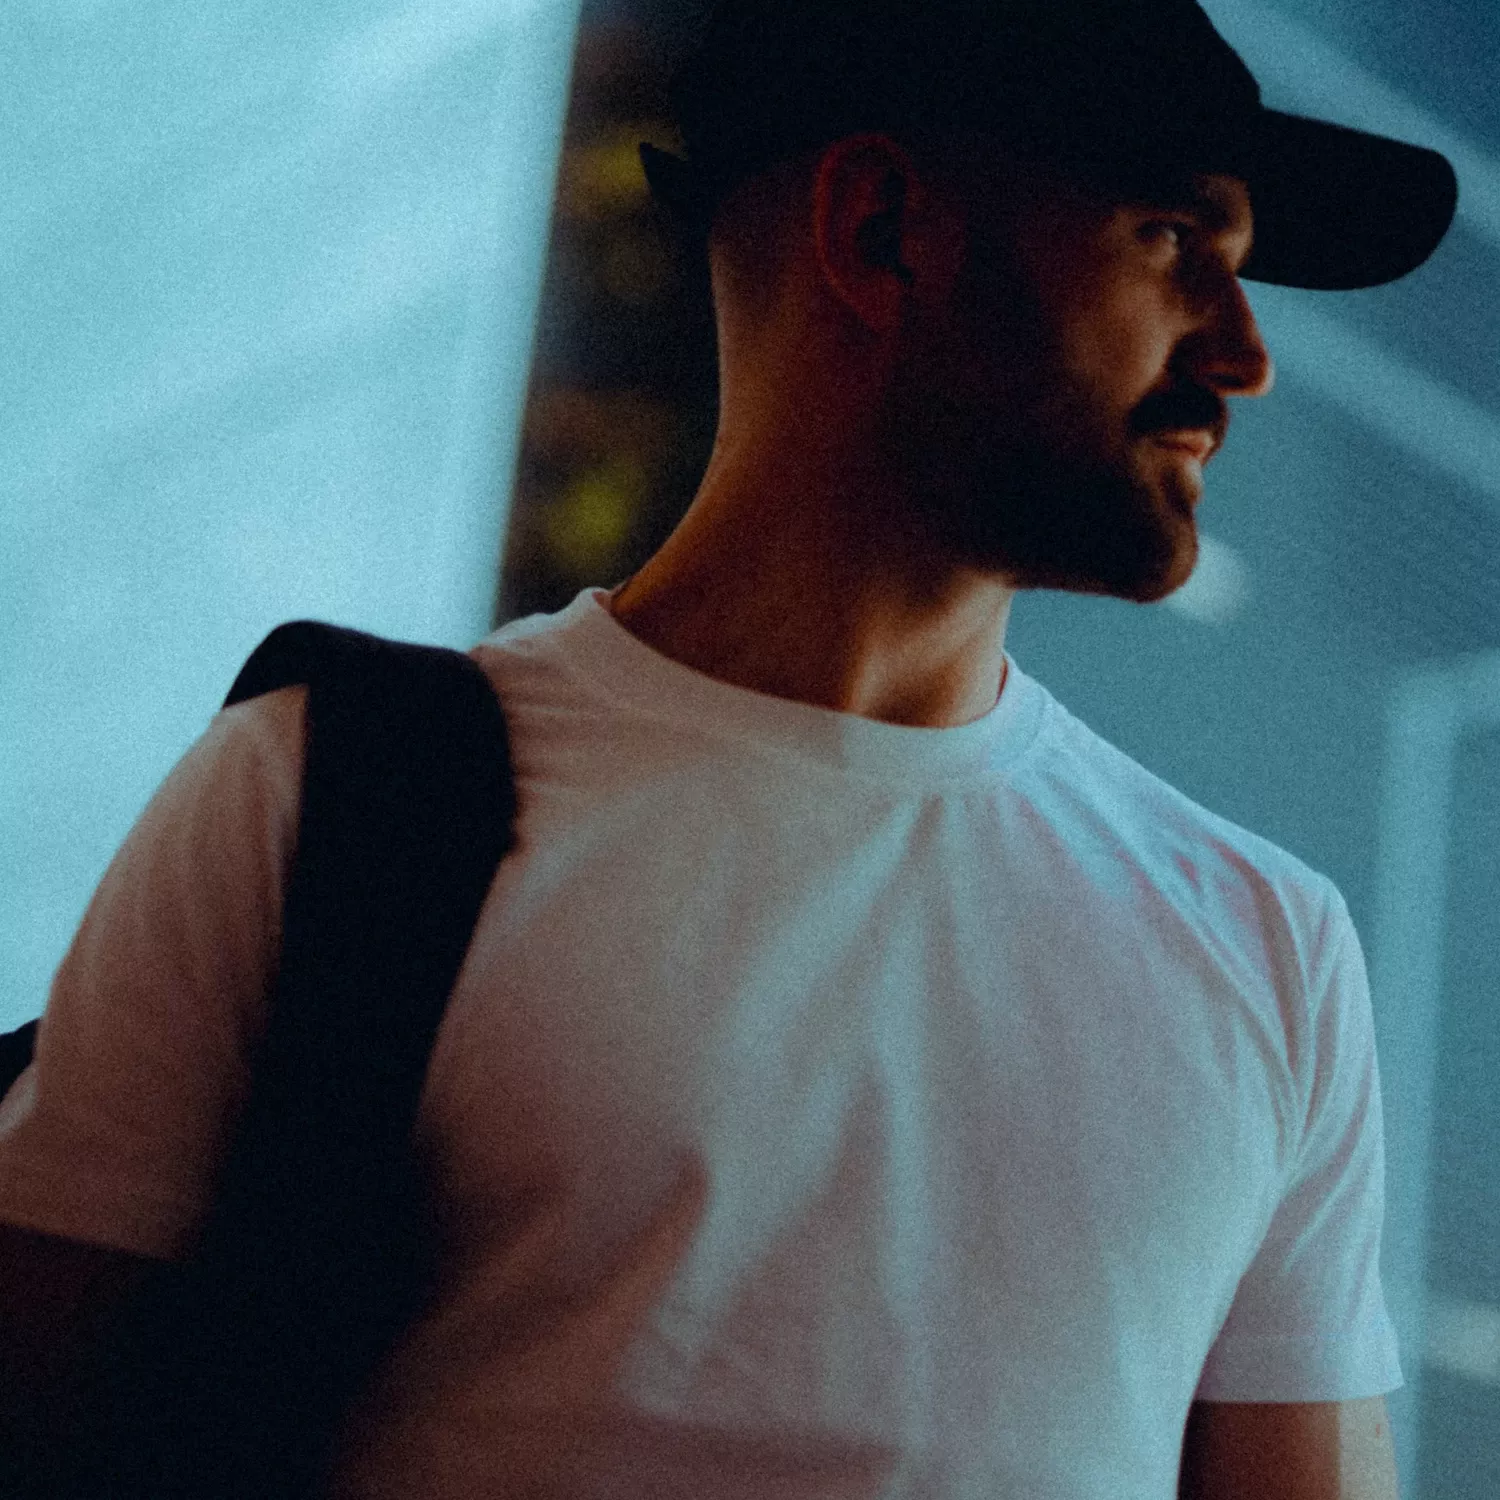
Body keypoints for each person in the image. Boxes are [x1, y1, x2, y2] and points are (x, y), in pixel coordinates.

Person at [0, 0, 1459, 1495]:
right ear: (881, 227)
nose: (1245, 354)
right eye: (1172, 240)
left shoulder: (1270, 951)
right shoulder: (329, 796)